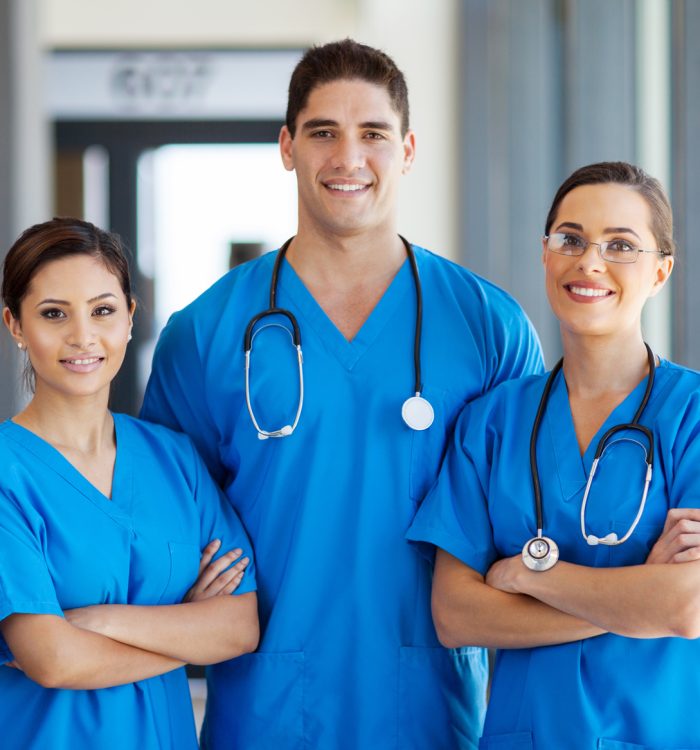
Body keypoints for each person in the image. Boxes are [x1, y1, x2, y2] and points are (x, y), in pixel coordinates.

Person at [141, 39, 542, 749]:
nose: (347, 158)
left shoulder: (488, 328)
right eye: (323, 132)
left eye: (373, 135)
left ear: (409, 149)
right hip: (264, 712)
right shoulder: (204, 335)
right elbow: (162, 529)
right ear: (287, 146)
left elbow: (532, 518)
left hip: (431, 710)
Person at [407, 161, 700, 749]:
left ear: (661, 271)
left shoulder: (690, 414)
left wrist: (531, 574)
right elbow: (456, 615)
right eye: (571, 239)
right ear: (545, 253)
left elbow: (685, 604)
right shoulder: (492, 423)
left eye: (621, 245)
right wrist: (635, 599)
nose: (590, 262)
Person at [0, 217, 259, 750]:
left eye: (103, 310)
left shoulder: (176, 460)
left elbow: (238, 628)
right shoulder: (9, 473)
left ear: (130, 317)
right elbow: (54, 661)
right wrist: (188, 631)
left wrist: (97, 620)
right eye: (54, 314)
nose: (82, 337)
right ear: (15, 325)